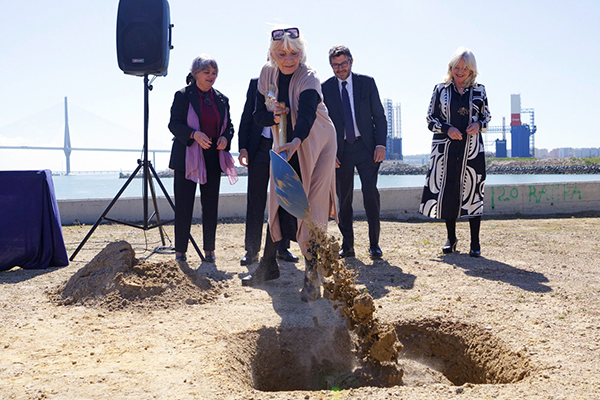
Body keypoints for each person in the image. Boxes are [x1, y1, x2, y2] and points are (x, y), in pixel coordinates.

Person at [240, 27, 337, 302]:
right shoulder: (266, 74)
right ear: (272, 55)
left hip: (316, 142)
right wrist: (273, 117)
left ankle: (312, 276)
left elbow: (306, 115)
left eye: (294, 53)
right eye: (282, 53)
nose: (288, 58)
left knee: (311, 206)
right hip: (283, 143)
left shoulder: (309, 76)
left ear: (301, 53)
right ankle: (268, 266)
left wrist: (296, 140)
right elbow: (258, 114)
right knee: (279, 199)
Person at [419, 47, 491, 257]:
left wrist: (478, 125)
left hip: (472, 150)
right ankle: (451, 238)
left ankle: (475, 242)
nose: (460, 72)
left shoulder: (480, 90)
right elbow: (430, 119)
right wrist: (447, 129)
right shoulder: (440, 90)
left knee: (473, 191)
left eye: (464, 68)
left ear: (472, 71)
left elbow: (486, 117)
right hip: (446, 149)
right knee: (447, 191)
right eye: (456, 67)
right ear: (450, 68)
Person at [168, 54, 236, 263]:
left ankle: (209, 250)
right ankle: (180, 252)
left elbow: (230, 127)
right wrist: (193, 134)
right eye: (207, 72)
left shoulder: (222, 99)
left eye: (214, 73)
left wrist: (225, 138)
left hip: (213, 156)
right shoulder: (182, 95)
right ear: (196, 73)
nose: (211, 76)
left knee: (210, 205)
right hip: (188, 155)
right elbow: (174, 124)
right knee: (184, 204)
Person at [322, 45, 387, 260]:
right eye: (335, 65)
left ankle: (374, 244)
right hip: (341, 152)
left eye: (343, 63)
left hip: (367, 148)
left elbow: (379, 116)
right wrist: (330, 153)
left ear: (351, 61)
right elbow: (323, 124)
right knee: (344, 200)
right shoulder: (325, 88)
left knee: (371, 194)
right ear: (331, 66)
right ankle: (348, 246)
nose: (340, 68)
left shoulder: (366, 83)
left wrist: (381, 144)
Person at [238, 77, 298, 266]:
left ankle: (282, 248)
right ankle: (251, 250)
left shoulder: (292, 81)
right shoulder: (257, 83)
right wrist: (243, 147)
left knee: (283, 198)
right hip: (259, 147)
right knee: (255, 199)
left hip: (283, 147)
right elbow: (247, 115)